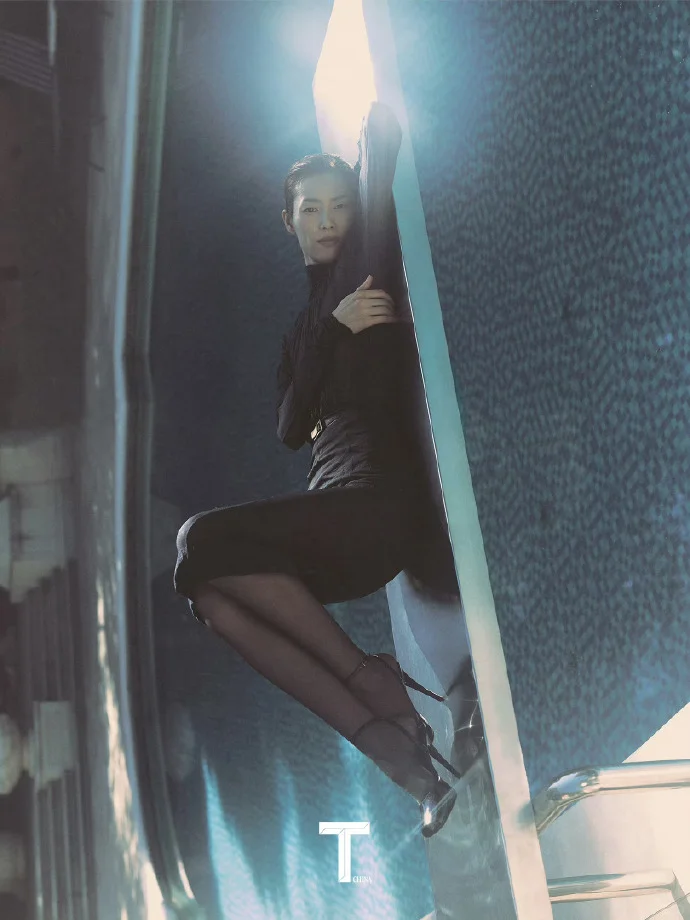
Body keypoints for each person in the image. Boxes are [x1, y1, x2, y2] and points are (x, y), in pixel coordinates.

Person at [174, 106, 460, 837]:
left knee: (195, 543)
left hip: (375, 506)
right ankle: (396, 752)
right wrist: (332, 330)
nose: (329, 220)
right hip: (333, 521)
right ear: (288, 221)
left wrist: (367, 151)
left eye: (340, 206)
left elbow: (382, 139)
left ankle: (376, 694)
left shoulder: (364, 262)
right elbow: (286, 428)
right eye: (312, 210)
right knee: (210, 596)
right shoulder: (306, 327)